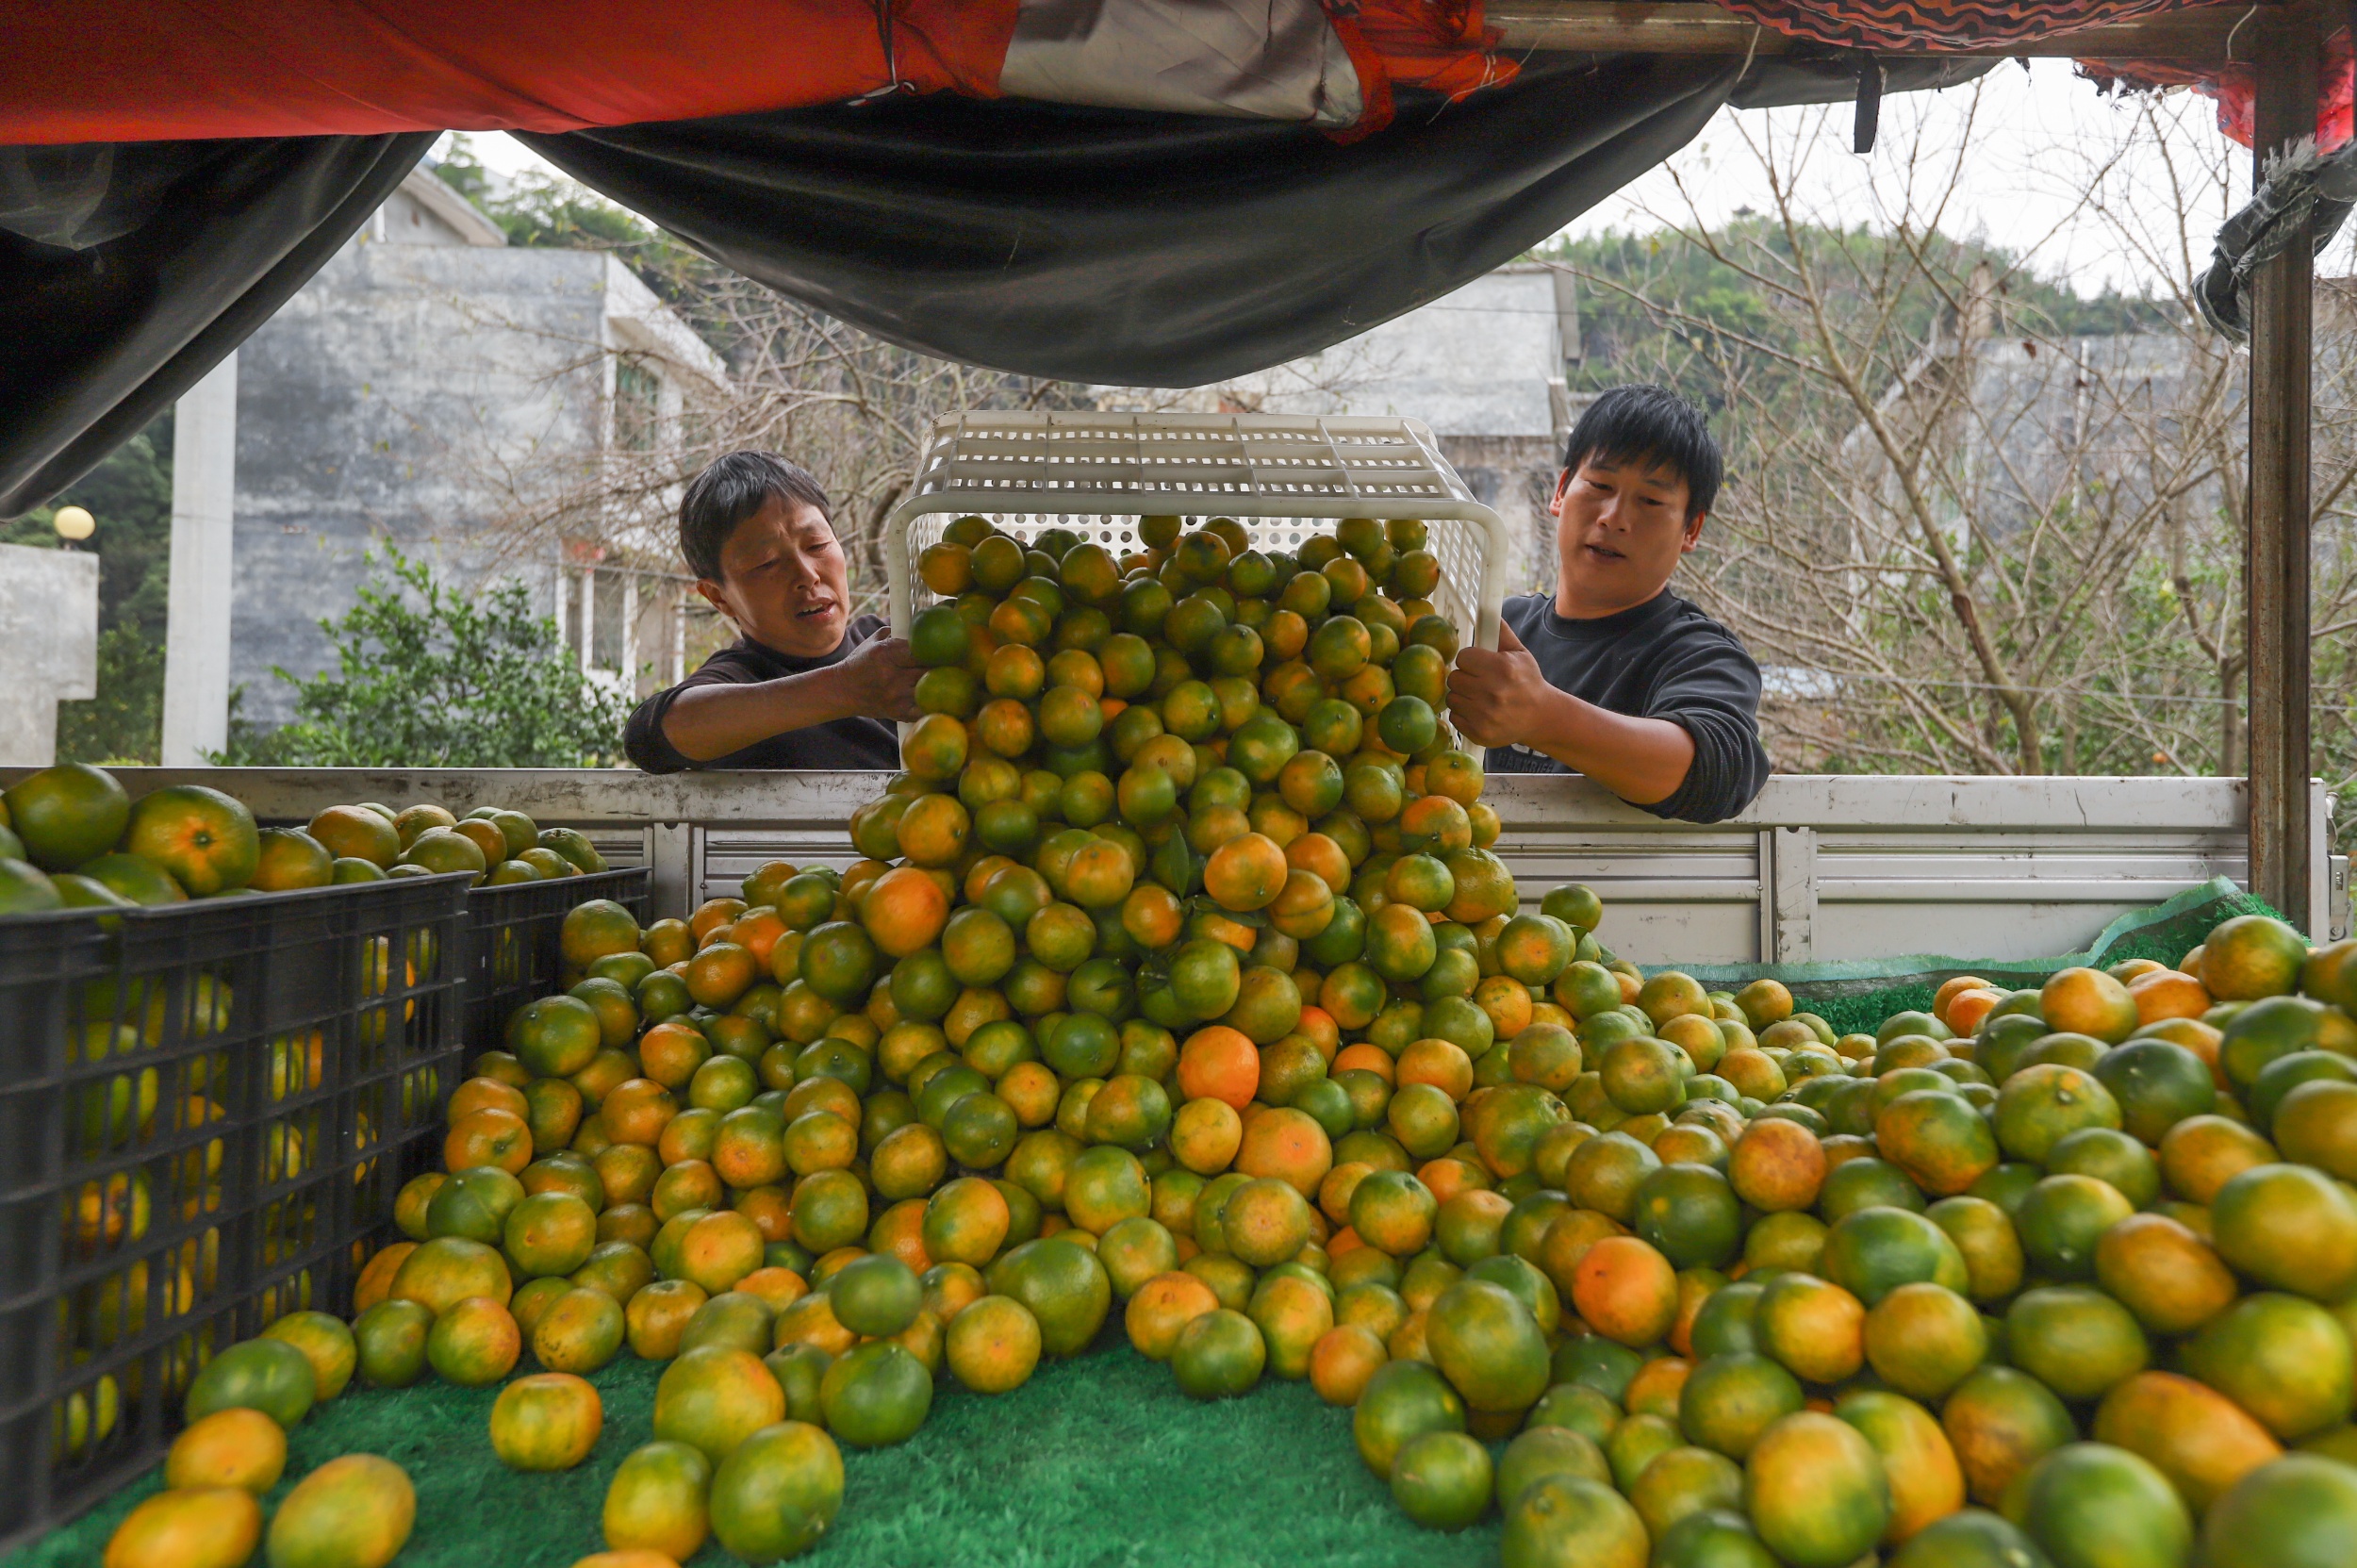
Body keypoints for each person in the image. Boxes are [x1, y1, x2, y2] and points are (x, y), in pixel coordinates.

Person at [1446, 385, 1770, 823]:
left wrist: (1544, 717)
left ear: (1691, 529)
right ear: (1561, 491)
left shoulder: (1700, 654)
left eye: (1651, 500)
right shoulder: (1492, 625)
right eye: (1600, 485)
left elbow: (1716, 772)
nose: (1614, 518)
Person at [623, 451, 919, 772]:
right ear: (717, 596)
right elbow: (651, 737)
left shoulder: (897, 642)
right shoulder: (738, 679)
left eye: (817, 545)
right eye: (767, 563)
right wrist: (845, 688)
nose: (807, 575)